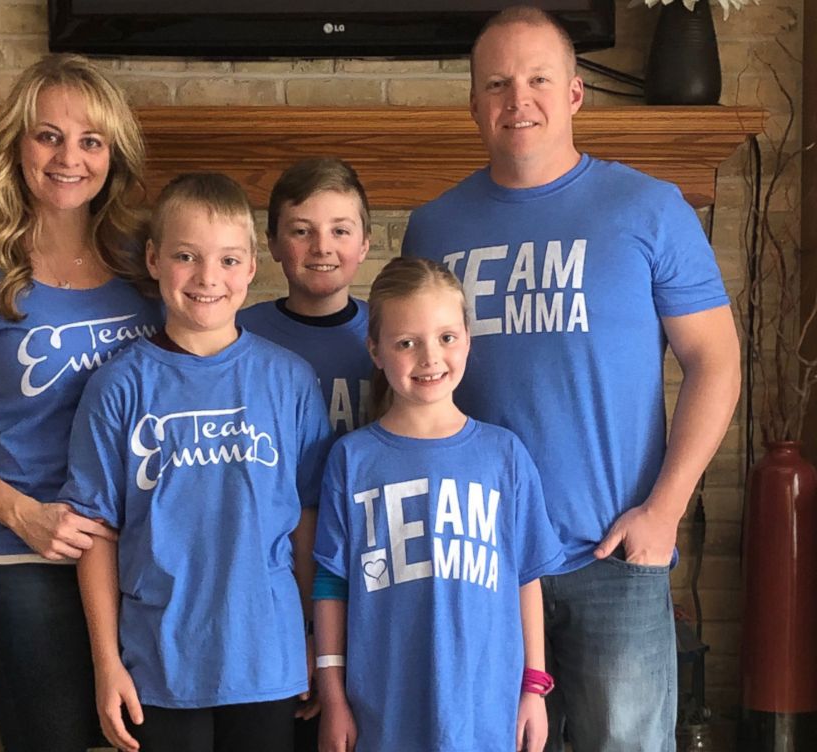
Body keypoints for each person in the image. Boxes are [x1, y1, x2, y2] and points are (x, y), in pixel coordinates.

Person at [401, 7, 741, 751]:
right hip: (479, 555)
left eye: (537, 80)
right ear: (473, 103)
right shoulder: (433, 228)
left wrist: (666, 509)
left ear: (576, 93)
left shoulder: (649, 209)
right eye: (496, 83)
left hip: (612, 554)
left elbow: (717, 360)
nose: (517, 100)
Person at [0, 54, 163, 752]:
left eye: (91, 140)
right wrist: (24, 514)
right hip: (21, 561)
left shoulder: (152, 267)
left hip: (139, 560)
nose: (69, 157)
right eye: (48, 135)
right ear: (18, 145)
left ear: (114, 154)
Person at [61, 173, 334, 752]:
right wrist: (106, 663)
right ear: (155, 259)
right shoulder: (117, 387)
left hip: (266, 655)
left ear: (253, 264)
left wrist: (313, 638)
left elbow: (308, 519)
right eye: (187, 256)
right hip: (158, 660)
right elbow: (96, 533)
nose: (209, 278)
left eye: (228, 259)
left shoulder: (288, 380)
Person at [312, 257, 565, 752]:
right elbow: (331, 583)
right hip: (382, 706)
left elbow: (525, 577)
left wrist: (534, 688)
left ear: (468, 339)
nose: (430, 357)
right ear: (376, 351)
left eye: (447, 337)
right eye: (407, 342)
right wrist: (334, 696)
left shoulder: (504, 455)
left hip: (485, 706)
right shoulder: (352, 459)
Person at [239, 158, 373, 437]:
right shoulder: (237, 334)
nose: (322, 247)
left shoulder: (392, 333)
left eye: (340, 231)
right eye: (302, 231)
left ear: (364, 245)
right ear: (273, 243)